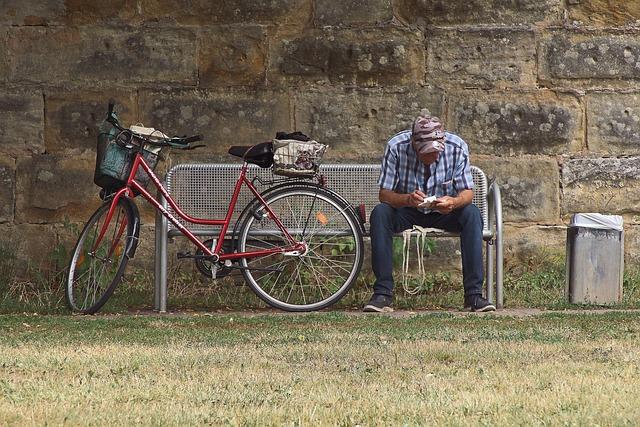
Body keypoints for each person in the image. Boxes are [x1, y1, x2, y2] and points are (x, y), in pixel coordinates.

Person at [363, 112, 496, 313]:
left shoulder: (457, 147)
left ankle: (474, 296)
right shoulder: (396, 147)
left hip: (445, 211)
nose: (432, 157)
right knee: (380, 213)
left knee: (472, 214)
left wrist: (453, 201)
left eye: (436, 152)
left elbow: (467, 193)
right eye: (426, 153)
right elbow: (385, 194)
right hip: (407, 209)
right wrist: (407, 198)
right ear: (414, 145)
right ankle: (382, 294)